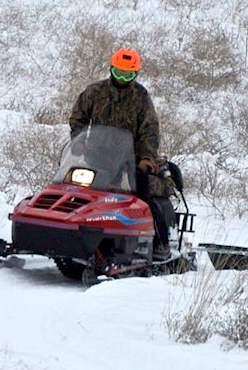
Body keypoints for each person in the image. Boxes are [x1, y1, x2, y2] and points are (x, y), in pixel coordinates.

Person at [69, 48, 172, 258]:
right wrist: (79, 141)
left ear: (135, 75)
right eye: (119, 73)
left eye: (128, 75)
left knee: (144, 195)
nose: (122, 79)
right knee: (77, 191)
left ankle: (161, 242)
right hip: (96, 157)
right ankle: (70, 233)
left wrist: (146, 157)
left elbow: (149, 130)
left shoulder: (141, 97)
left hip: (130, 160)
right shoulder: (94, 92)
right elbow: (78, 117)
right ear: (111, 69)